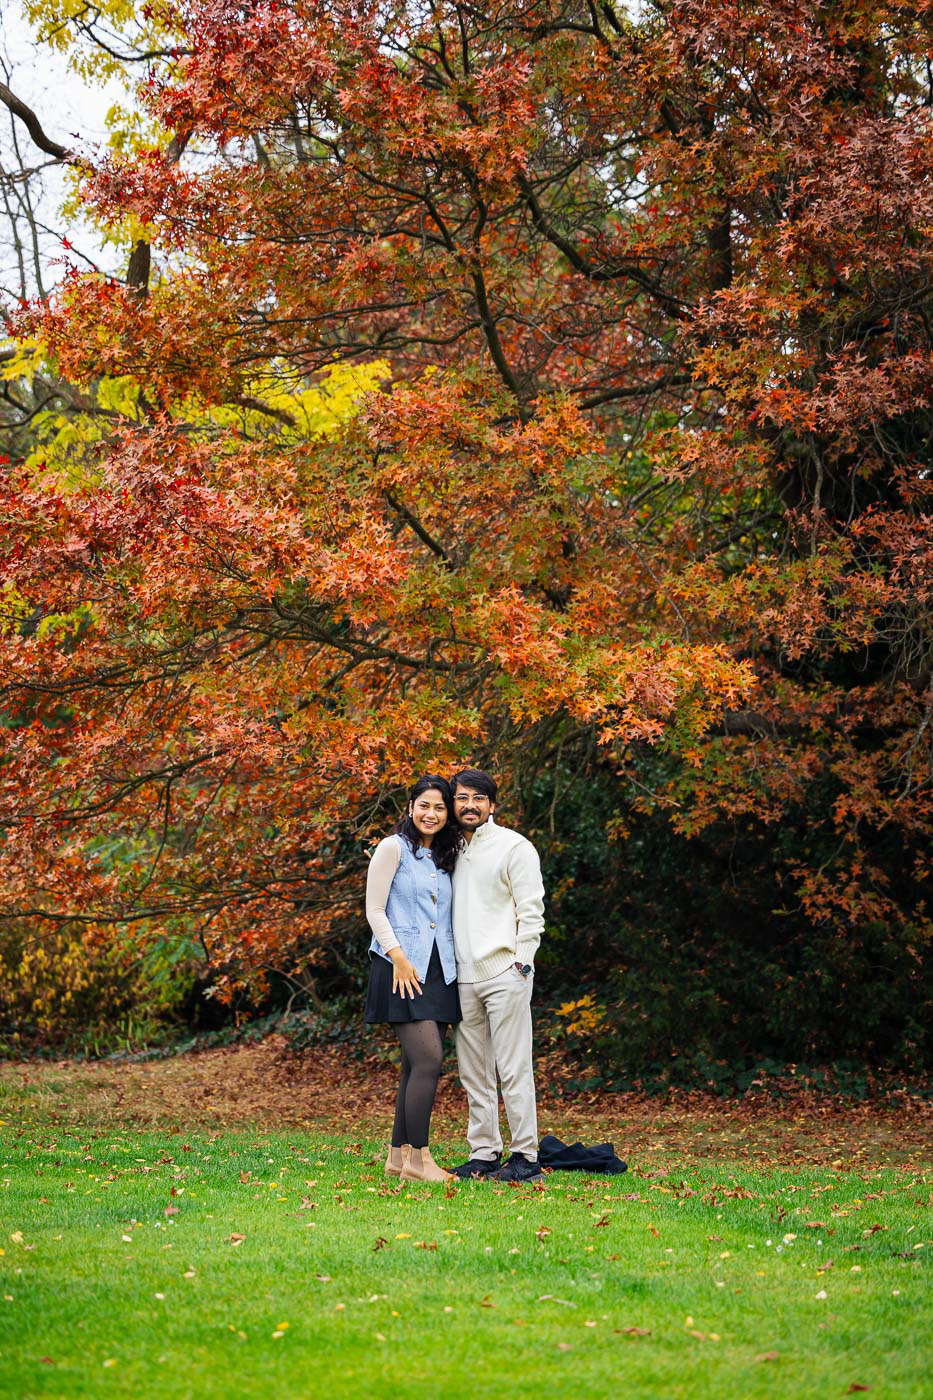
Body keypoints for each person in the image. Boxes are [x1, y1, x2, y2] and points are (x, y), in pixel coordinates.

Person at [449, 768, 545, 1183]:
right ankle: (484, 1152)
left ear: (492, 804)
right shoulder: (447, 850)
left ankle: (526, 1156)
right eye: (462, 798)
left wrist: (522, 963)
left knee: (513, 1067)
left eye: (478, 798)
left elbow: (531, 911)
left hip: (506, 972)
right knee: (474, 1071)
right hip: (462, 977)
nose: (470, 806)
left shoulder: (514, 847)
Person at [364, 775, 461, 1183]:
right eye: (425, 805)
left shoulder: (445, 856)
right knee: (429, 1060)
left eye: (439, 807)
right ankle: (420, 1162)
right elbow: (374, 909)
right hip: (400, 967)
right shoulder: (392, 848)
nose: (431, 814)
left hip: (440, 969)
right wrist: (399, 958)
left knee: (412, 1064)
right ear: (410, 807)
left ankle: (397, 1157)